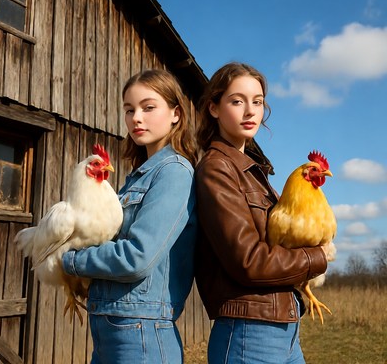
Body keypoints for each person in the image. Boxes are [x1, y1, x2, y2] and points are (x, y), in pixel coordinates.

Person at [194, 62, 331, 364]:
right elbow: (249, 261)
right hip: (249, 330)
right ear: (214, 108)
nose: (250, 111)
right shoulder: (218, 168)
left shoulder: (254, 172)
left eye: (257, 102)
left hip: (283, 324)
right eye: (237, 101)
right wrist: (317, 256)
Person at [62, 69, 197, 363]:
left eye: (148, 108)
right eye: (129, 110)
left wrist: (69, 260)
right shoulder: (136, 178)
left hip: (141, 331)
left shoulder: (173, 171)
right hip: (114, 324)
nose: (136, 118)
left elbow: (137, 258)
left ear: (176, 114)